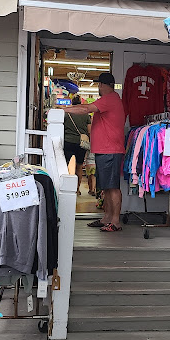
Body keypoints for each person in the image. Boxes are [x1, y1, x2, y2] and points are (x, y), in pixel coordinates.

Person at [60, 72, 125, 232]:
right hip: (106, 149)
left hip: (110, 149)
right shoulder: (110, 100)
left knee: (112, 187)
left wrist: (65, 109)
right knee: (107, 187)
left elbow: (86, 109)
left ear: (102, 85)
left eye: (98, 85)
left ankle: (115, 221)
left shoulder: (110, 99)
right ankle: (107, 218)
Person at [63, 94, 89, 196]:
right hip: (81, 143)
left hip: (68, 141)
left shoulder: (67, 113)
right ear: (80, 103)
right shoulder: (85, 115)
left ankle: (68, 188)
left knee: (68, 165)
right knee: (79, 166)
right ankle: (77, 189)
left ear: (72, 103)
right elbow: (89, 130)